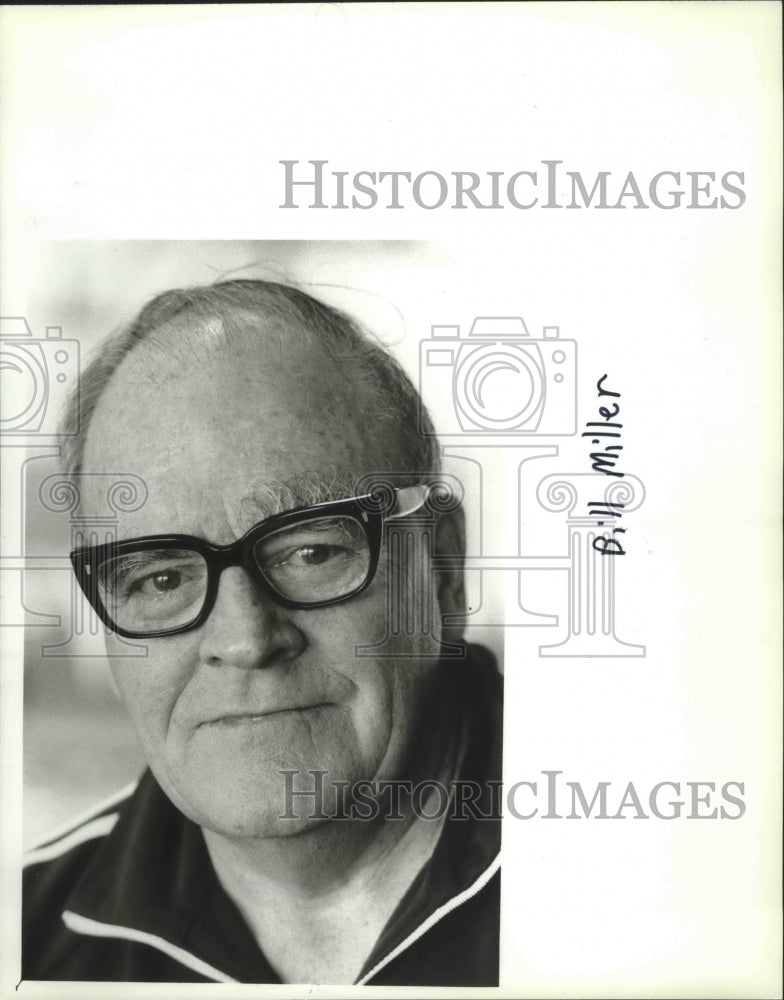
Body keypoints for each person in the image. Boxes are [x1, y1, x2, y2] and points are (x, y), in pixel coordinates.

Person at [23, 279, 502, 985]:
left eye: (311, 552)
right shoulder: (27, 939)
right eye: (161, 579)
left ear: (443, 570)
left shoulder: (657, 876)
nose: (246, 640)